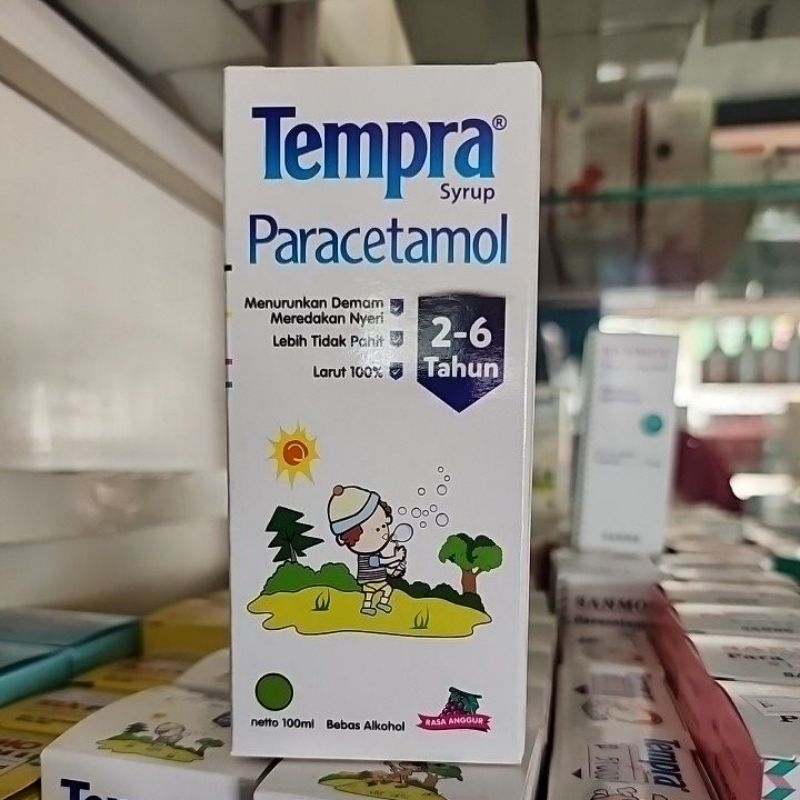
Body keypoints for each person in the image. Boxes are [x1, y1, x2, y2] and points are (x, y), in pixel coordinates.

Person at [327, 484, 405, 616]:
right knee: (371, 594)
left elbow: (383, 566)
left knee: (387, 590)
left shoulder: (376, 552)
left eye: (384, 525)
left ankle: (381, 604)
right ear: (353, 537)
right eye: (377, 529)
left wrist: (396, 568)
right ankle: (367, 607)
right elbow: (378, 562)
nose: (385, 533)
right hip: (370, 581)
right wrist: (395, 558)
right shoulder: (368, 556)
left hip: (379, 579)